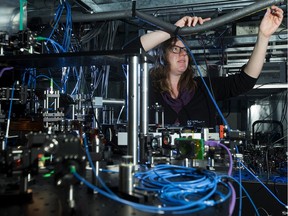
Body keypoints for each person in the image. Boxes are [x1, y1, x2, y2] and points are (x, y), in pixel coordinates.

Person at [136, 5, 283, 128]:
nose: (183, 54)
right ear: (162, 56)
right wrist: (174, 28)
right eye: (175, 49)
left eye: (185, 50)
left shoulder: (204, 88)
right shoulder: (147, 91)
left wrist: (264, 36)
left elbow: (245, 81)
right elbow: (132, 49)